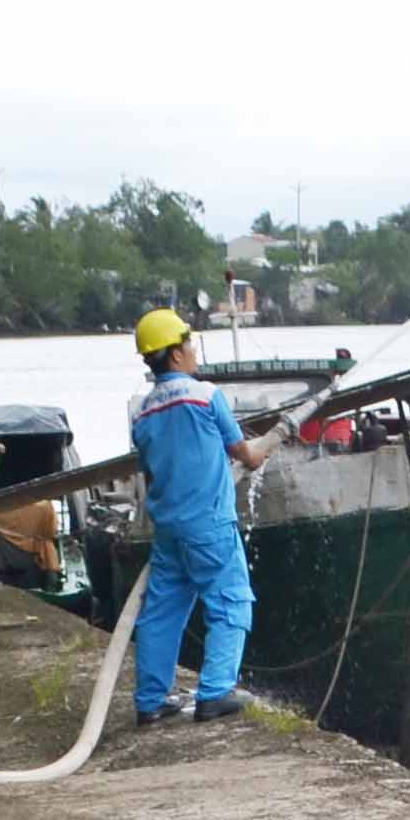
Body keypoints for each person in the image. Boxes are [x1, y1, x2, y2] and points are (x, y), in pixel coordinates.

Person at [125, 306, 263, 724]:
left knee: (161, 613)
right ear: (176, 352)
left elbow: (151, 474)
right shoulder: (205, 395)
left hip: (168, 530)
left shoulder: (142, 413)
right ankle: (215, 692)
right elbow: (246, 455)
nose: (194, 351)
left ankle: (151, 702)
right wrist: (268, 446)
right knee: (231, 602)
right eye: (190, 344)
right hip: (210, 525)